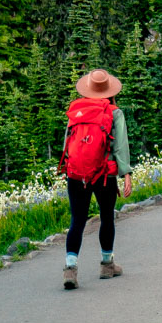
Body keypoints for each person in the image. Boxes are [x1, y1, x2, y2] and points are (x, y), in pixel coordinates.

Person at [61, 68, 133, 290]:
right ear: (109, 91)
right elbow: (120, 146)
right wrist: (126, 173)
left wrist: (68, 169)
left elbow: (67, 143)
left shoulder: (76, 110)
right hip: (103, 174)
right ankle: (106, 264)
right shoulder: (115, 112)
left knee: (77, 220)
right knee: (106, 216)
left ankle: (70, 270)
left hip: (76, 174)